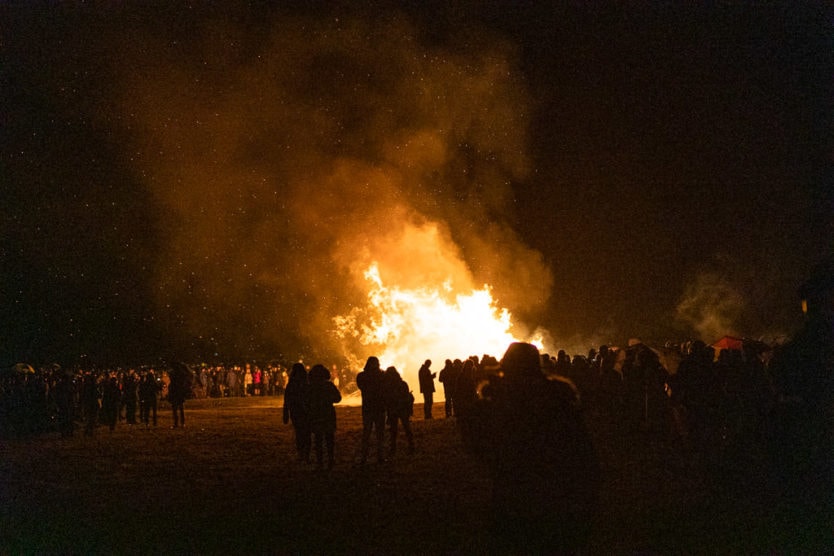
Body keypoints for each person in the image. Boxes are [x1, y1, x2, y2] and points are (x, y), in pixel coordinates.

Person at [461, 342, 600, 553]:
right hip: (555, 497)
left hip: (512, 498)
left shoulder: (493, 402)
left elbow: (477, 446)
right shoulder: (559, 398)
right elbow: (583, 453)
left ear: (506, 365)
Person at [305, 364, 342, 470]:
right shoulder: (328, 385)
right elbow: (338, 398)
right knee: (329, 438)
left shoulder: (311, 386)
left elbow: (306, 400)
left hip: (316, 414)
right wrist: (328, 400)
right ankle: (330, 461)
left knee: (318, 439)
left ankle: (320, 462)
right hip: (327, 414)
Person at [356, 356, 386, 464]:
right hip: (376, 407)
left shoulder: (362, 376)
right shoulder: (381, 375)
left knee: (371, 433)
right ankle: (377, 456)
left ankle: (368, 456)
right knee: (376, 433)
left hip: (370, 407)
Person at [383, 366, 414, 457]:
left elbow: (387, 398)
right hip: (402, 408)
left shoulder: (387, 385)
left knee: (393, 430)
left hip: (393, 409)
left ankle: (393, 449)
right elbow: (406, 397)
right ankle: (411, 445)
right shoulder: (403, 383)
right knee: (406, 427)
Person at [283, 363, 311, 463]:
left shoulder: (292, 384)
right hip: (305, 411)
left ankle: (302, 454)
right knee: (306, 434)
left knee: (299, 433)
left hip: (296, 412)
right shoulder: (306, 383)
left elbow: (286, 400)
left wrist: (285, 413)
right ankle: (305, 455)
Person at [167, 362, 191, 428]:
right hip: (180, 392)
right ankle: (182, 423)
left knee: (175, 409)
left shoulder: (173, 374)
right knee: (181, 408)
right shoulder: (182, 374)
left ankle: (176, 423)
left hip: (175, 392)